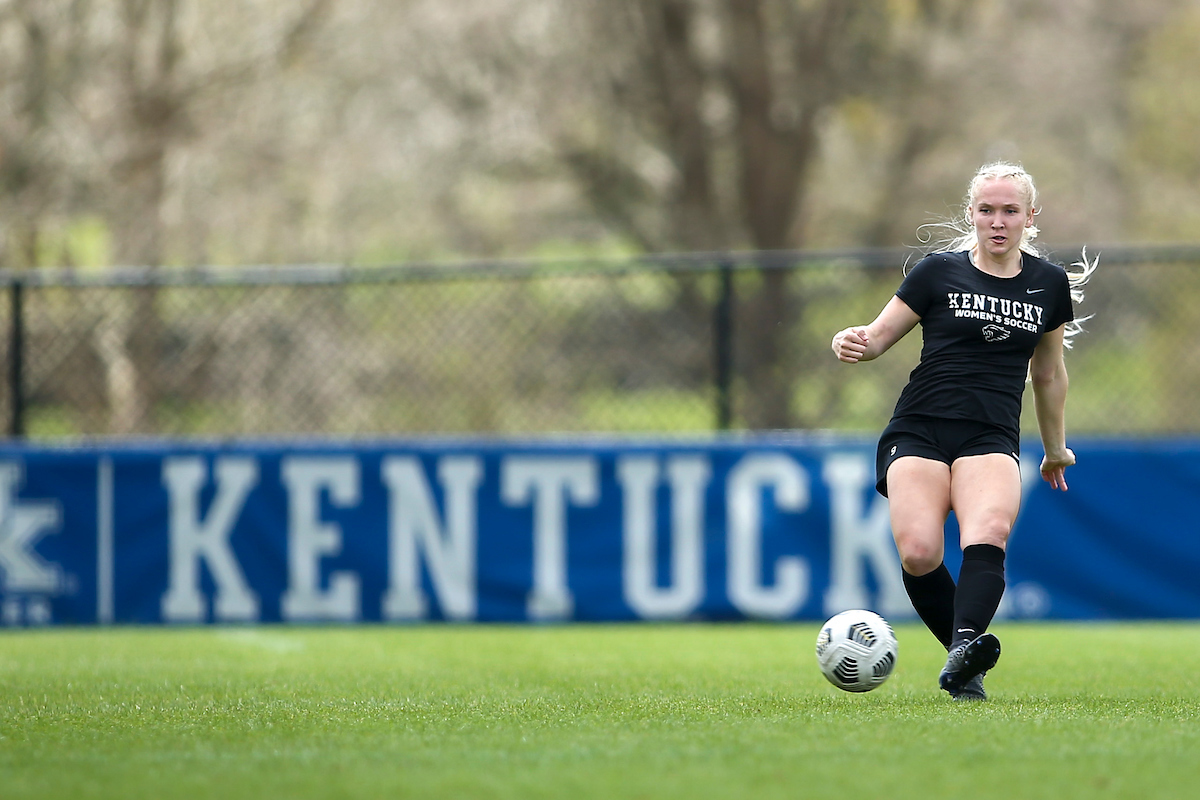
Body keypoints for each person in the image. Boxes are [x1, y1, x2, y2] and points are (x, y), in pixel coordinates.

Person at [831, 161, 1094, 701]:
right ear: (971, 213)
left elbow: (1048, 374)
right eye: (986, 210)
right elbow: (877, 338)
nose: (998, 221)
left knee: (989, 531)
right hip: (919, 428)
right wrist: (851, 340)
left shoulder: (1048, 284)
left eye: (1010, 211)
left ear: (1029, 217)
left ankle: (964, 650)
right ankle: (965, 662)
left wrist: (1055, 449)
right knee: (919, 553)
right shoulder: (936, 272)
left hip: (990, 434)